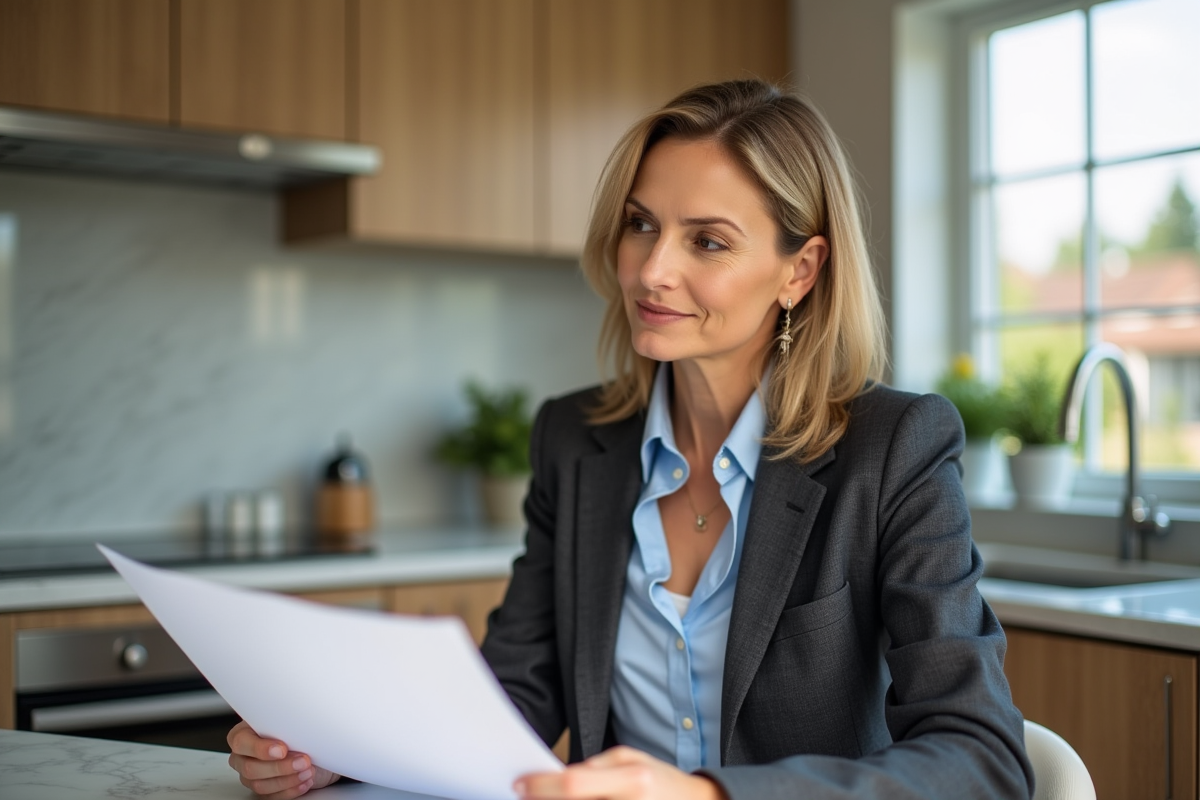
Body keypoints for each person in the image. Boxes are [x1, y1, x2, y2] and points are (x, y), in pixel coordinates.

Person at [228, 79, 1034, 800]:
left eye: (707, 241)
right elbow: (519, 687)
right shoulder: (575, 440)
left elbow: (980, 759)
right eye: (641, 226)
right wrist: (341, 749)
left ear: (801, 270)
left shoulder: (893, 448)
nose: (651, 270)